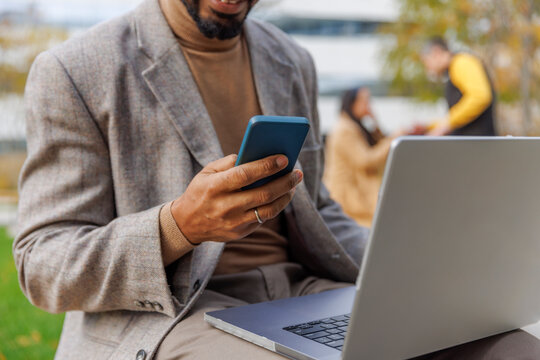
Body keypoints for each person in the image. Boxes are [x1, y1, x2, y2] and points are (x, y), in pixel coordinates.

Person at [13, 0, 539, 359]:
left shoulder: (291, 59)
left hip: (304, 292)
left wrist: (408, 266)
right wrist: (179, 226)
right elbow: (42, 262)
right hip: (179, 309)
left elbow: (319, 208)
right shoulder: (75, 70)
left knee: (514, 347)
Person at [324, 87, 396, 227]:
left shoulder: (354, 126)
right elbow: (365, 160)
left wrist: (374, 121)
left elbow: (377, 143)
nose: (368, 105)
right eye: (365, 101)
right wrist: (394, 140)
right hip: (348, 199)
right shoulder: (345, 129)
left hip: (355, 197)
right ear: (352, 103)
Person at [422, 37, 497, 136]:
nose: (427, 68)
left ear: (437, 52)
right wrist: (428, 127)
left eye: (426, 62)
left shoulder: (461, 63)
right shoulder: (453, 70)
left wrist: (447, 124)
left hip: (477, 145)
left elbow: (480, 97)